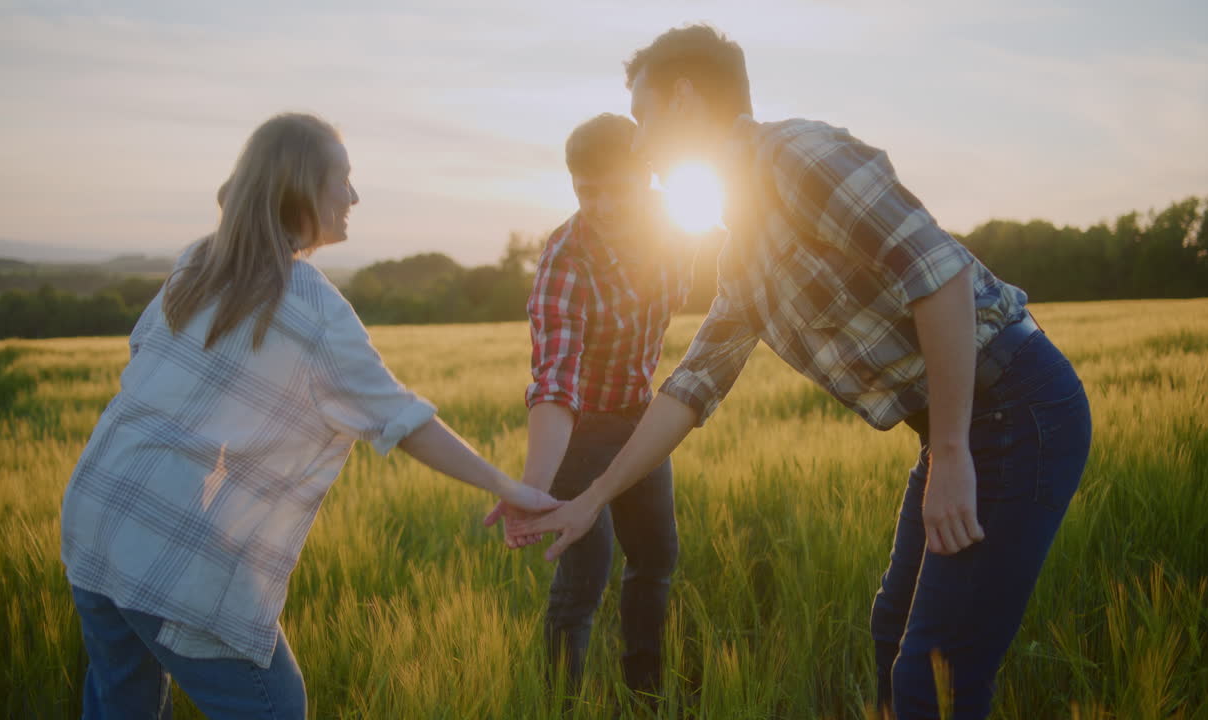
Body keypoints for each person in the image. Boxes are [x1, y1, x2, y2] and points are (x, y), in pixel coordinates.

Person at [515, 25, 1092, 720]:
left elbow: (938, 274)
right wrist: (590, 499)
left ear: (686, 100)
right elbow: (689, 388)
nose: (638, 142)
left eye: (643, 117)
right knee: (892, 636)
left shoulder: (798, 158)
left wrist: (949, 453)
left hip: (1016, 409)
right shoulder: (745, 250)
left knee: (937, 672)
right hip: (958, 423)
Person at [60, 112, 560, 720]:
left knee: (122, 705)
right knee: (275, 704)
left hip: (96, 508)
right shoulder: (310, 301)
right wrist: (507, 486)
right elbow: (402, 419)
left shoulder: (196, 262)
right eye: (341, 180)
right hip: (171, 545)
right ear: (300, 189)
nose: (353, 196)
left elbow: (149, 371)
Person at [484, 112, 694, 702]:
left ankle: (645, 692)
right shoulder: (565, 261)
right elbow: (556, 378)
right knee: (584, 581)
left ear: (645, 180)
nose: (599, 205)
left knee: (655, 560)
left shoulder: (671, 235)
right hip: (579, 431)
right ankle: (560, 705)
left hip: (642, 421)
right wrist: (534, 485)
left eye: (615, 189)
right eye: (586, 191)